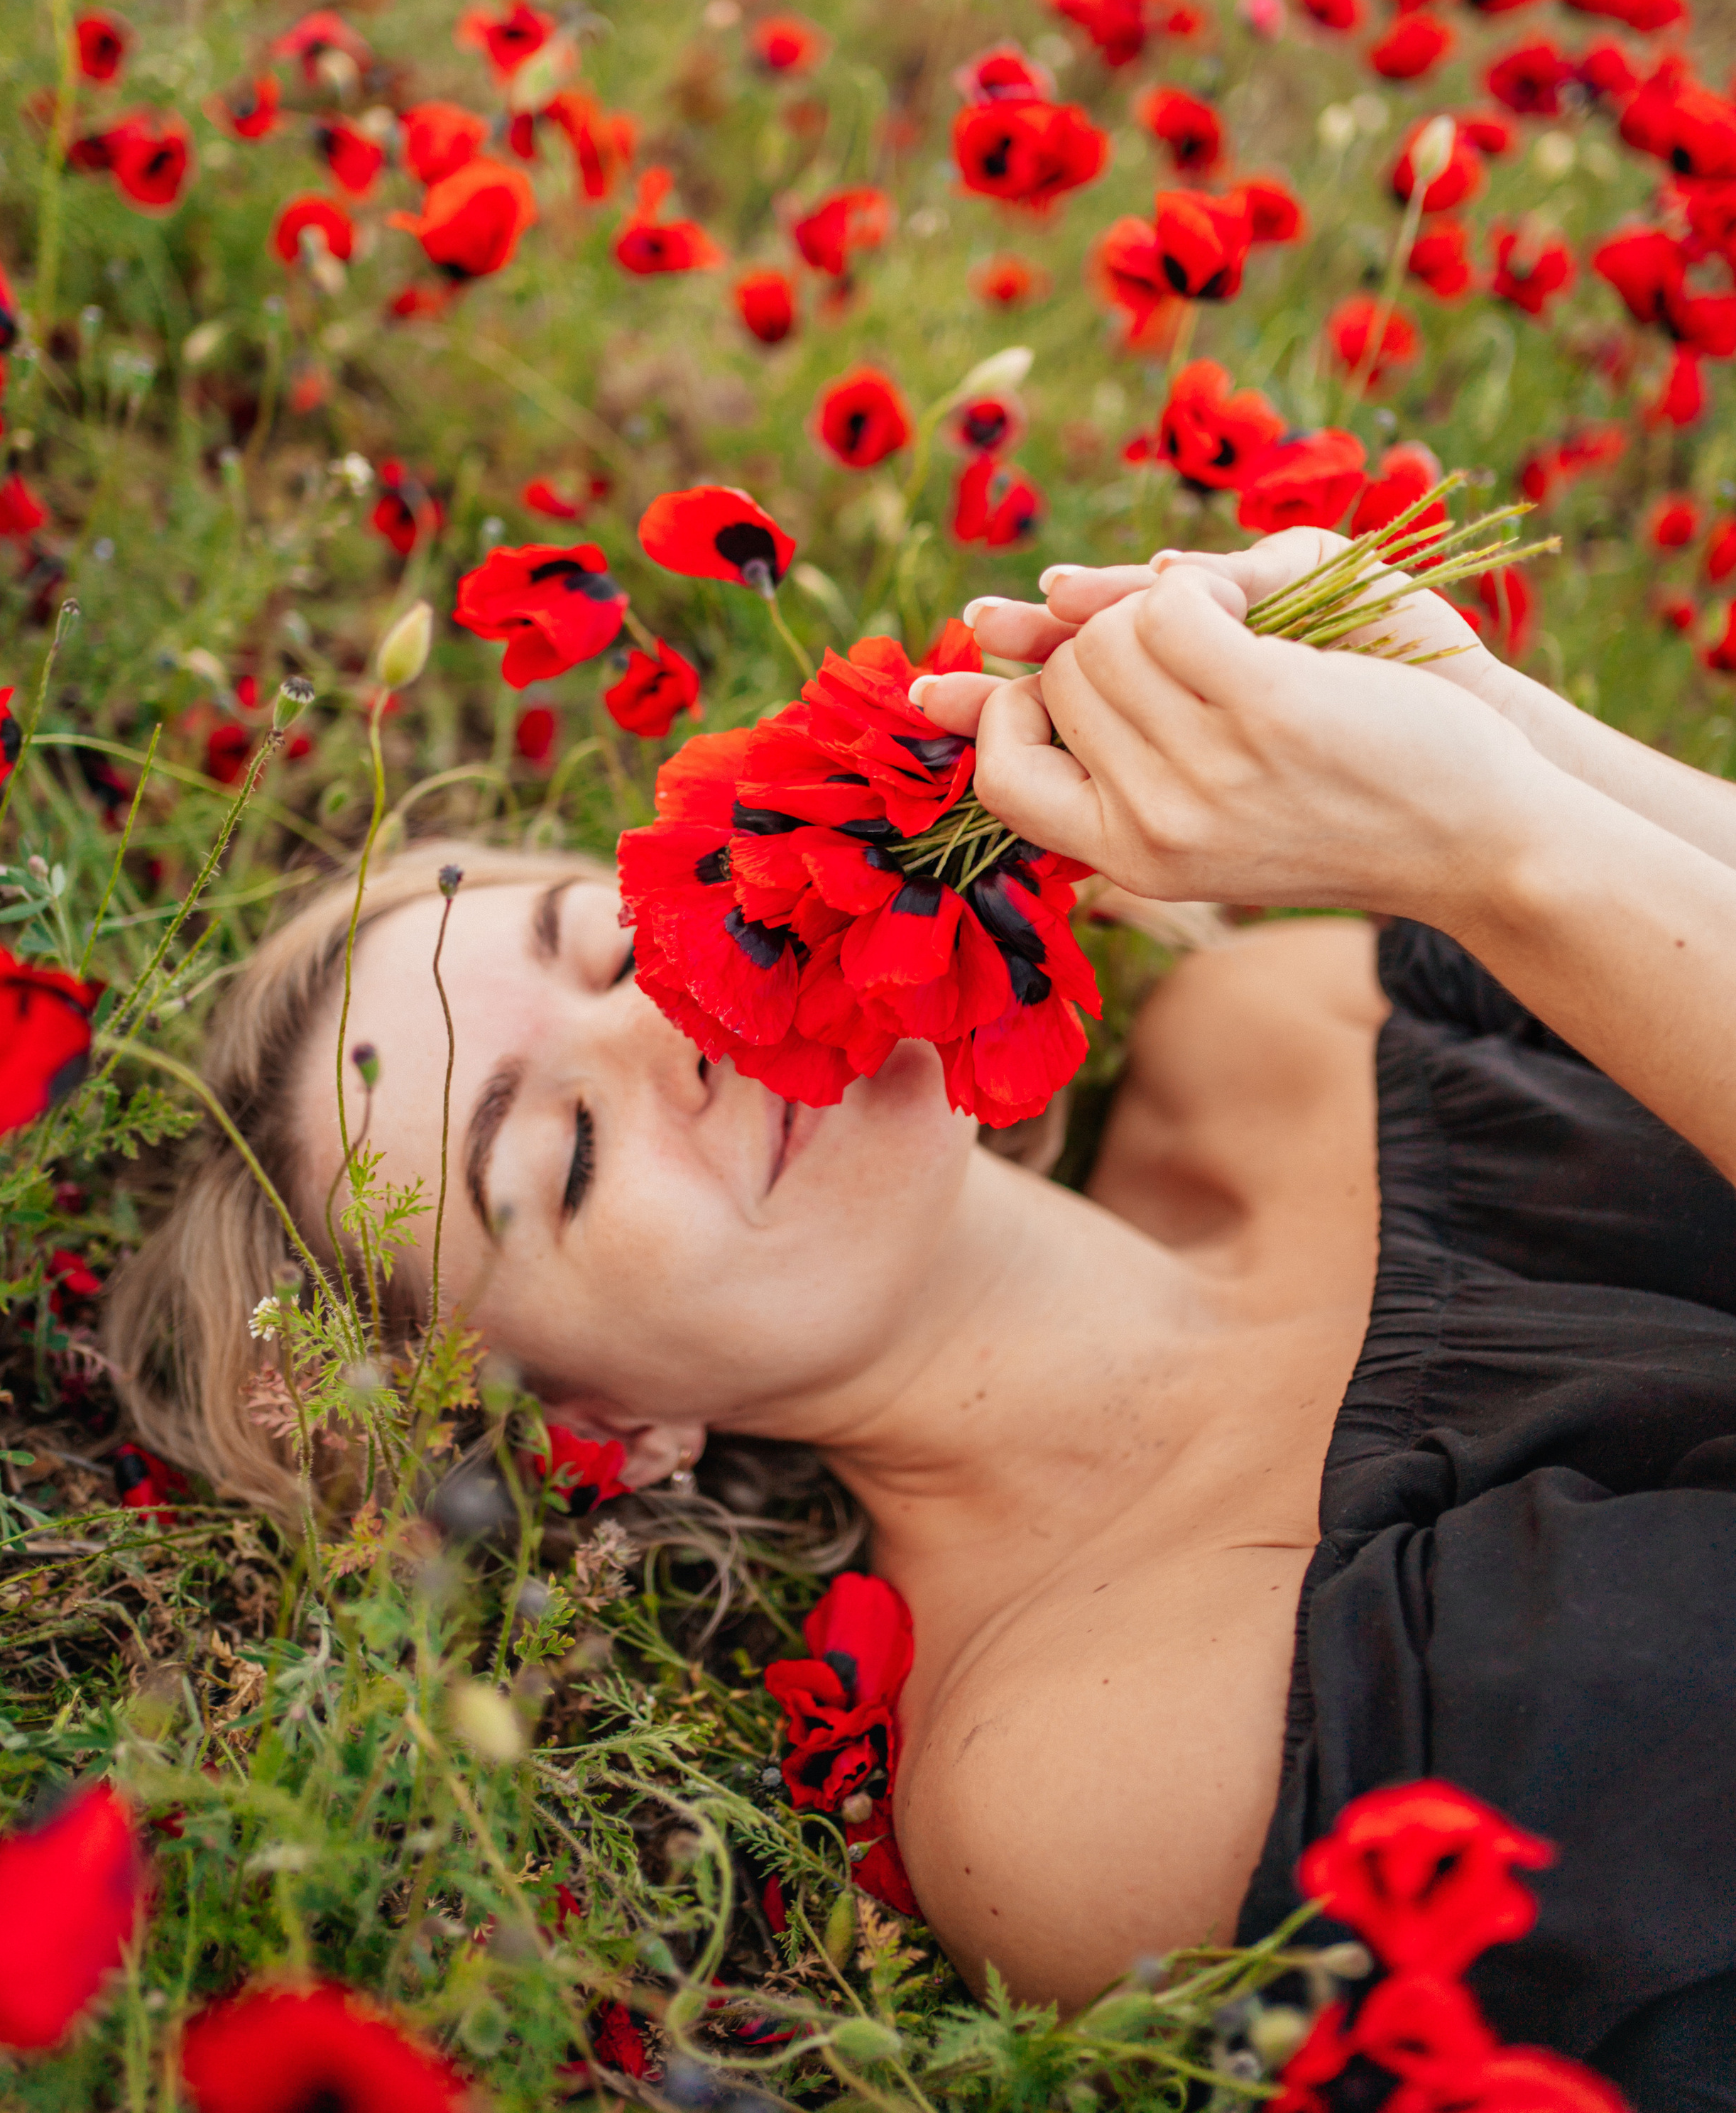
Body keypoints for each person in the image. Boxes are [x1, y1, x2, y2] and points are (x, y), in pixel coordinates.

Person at [108, 535, 1736, 2108]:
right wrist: (1496, 846)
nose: (678, 1014)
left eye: (613, 939)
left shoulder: (1264, 1028)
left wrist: (1502, 732)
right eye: (568, 1157)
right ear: (600, 1429)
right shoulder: (1060, 1779)